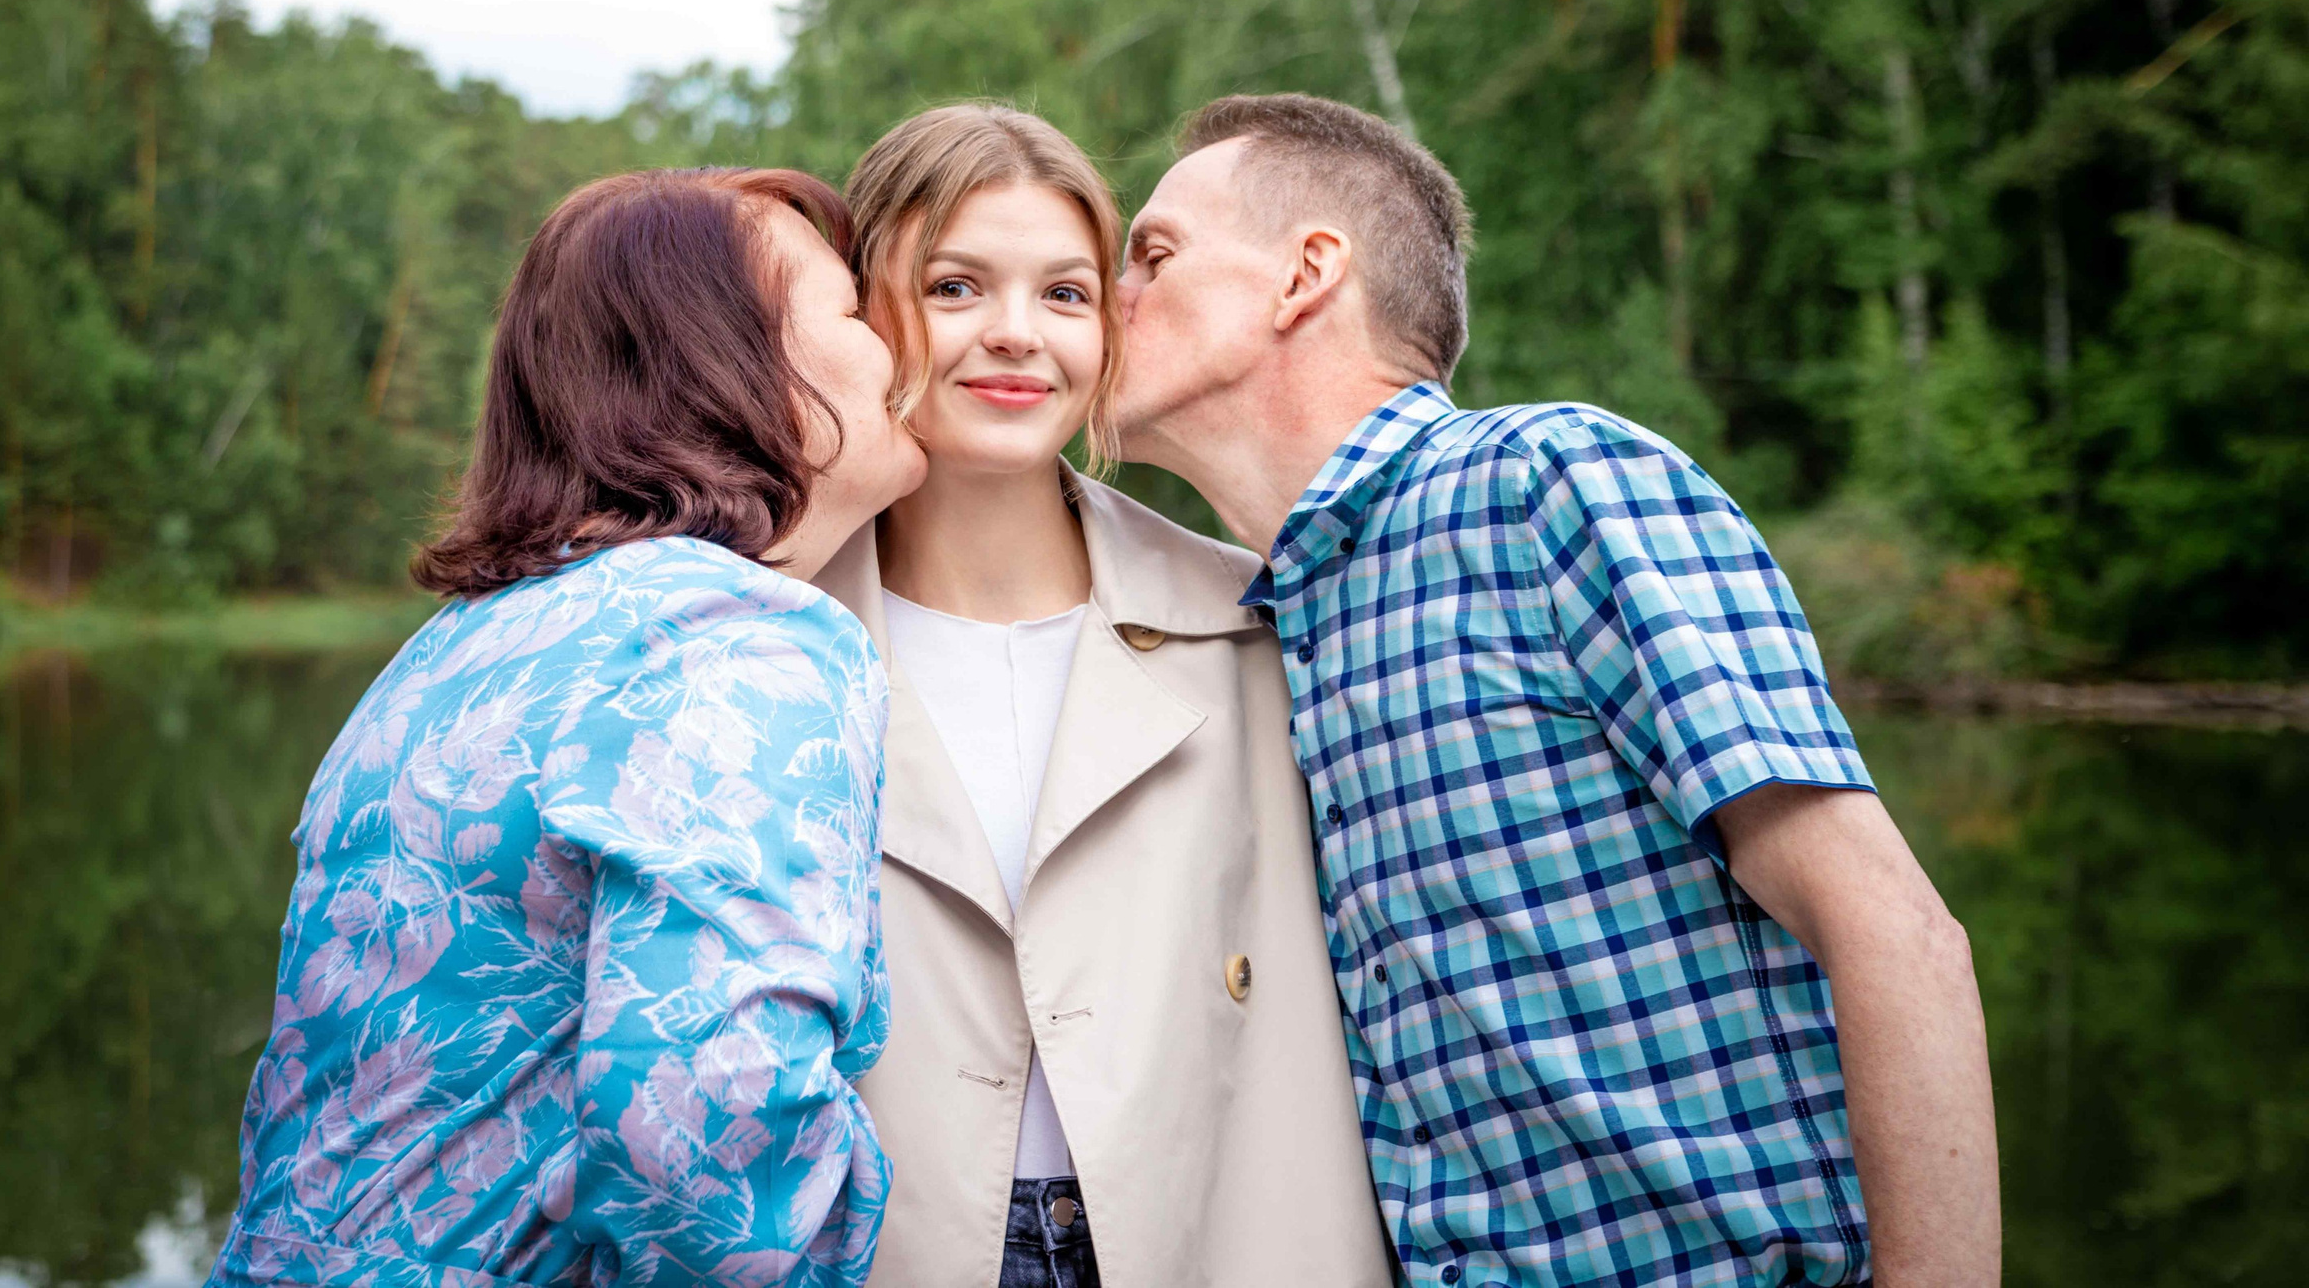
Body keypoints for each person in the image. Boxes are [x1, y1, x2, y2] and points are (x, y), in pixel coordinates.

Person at [1114, 93, 2001, 1288]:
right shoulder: (1271, 625)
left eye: (1152, 256)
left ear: (1304, 276)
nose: (1109, 295)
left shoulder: (1548, 483)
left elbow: (1896, 936)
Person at [205, 168, 926, 1288]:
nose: (896, 346)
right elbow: (706, 1152)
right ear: (732, 364)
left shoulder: (462, 644)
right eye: (849, 310)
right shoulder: (732, 634)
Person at [812, 104, 1394, 1288]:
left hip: (1208, 1245)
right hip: (883, 1250)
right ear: (868, 318)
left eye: (1067, 295)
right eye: (956, 287)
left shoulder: (1255, 623)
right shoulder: (769, 639)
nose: (1016, 336)